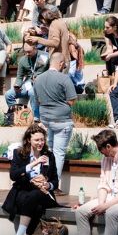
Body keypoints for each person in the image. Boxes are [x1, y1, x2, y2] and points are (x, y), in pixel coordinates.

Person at [1, 124, 59, 235]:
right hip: (24, 190)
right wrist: (34, 163)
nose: (40, 143)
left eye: (42, 140)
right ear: (28, 140)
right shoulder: (19, 154)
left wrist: (48, 185)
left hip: (43, 193)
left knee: (33, 197)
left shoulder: (49, 155)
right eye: (36, 140)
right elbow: (13, 175)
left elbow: (55, 180)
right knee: (35, 206)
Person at [34, 52, 77, 180]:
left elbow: (37, 101)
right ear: (61, 63)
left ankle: (45, 180)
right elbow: (72, 100)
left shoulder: (38, 79)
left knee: (49, 151)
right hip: (61, 121)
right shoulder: (64, 78)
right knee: (58, 153)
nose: (65, 67)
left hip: (45, 120)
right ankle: (54, 183)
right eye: (64, 65)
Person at [2, 40, 46, 125]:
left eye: (29, 52)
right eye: (25, 52)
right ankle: (18, 115)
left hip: (41, 83)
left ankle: (36, 118)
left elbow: (44, 71)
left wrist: (39, 77)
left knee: (32, 92)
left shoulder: (43, 56)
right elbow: (20, 76)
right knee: (8, 94)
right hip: (28, 83)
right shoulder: (23, 60)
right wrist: (17, 85)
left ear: (35, 48)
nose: (27, 54)